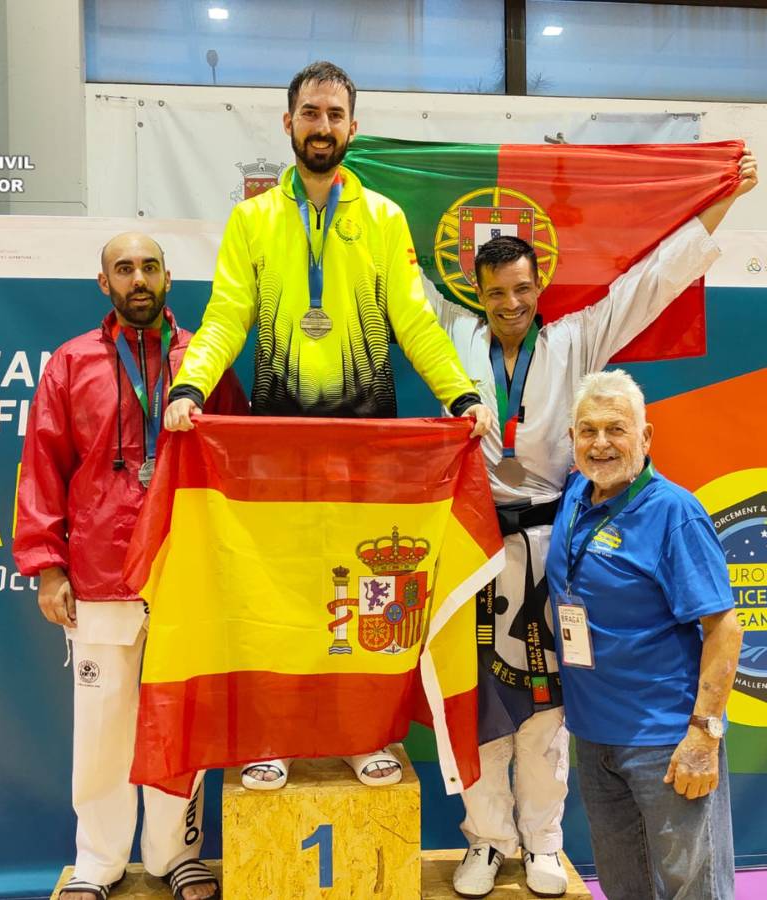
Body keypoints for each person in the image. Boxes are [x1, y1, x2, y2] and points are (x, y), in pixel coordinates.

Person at [431, 153, 756, 897]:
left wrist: (722, 200)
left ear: (537, 287)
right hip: (476, 543)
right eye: (495, 293)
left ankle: (543, 839)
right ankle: (486, 838)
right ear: (475, 294)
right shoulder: (450, 331)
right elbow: (387, 277)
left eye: (521, 289)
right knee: (475, 696)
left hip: (555, 538)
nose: (510, 303)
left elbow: (653, 283)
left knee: (550, 700)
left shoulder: (576, 338)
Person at [163, 61, 492, 791]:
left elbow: (413, 319)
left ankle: (362, 733)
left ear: (353, 126)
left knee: (360, 593)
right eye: (309, 113)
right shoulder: (252, 220)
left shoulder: (382, 219)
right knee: (276, 593)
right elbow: (225, 316)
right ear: (288, 123)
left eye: (335, 114)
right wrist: (190, 382)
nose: (322, 126)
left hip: (362, 443)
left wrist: (462, 394)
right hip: (276, 446)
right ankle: (271, 737)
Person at [14, 232, 249, 900]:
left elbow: (237, 459)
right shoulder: (71, 364)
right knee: (103, 725)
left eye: (149, 267)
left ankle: (176, 853)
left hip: (185, 574)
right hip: (100, 572)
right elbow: (43, 468)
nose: (138, 279)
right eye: (124, 269)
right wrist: (47, 566)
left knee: (179, 721)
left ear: (169, 278)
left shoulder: (204, 359)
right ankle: (99, 860)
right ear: (104, 284)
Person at [546, 369, 743, 900]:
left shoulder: (674, 513)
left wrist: (705, 733)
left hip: (666, 742)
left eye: (617, 429)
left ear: (646, 437)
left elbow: (724, 627)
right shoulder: (575, 497)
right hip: (594, 738)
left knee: (692, 889)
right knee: (626, 885)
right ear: (572, 441)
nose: (601, 443)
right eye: (588, 431)